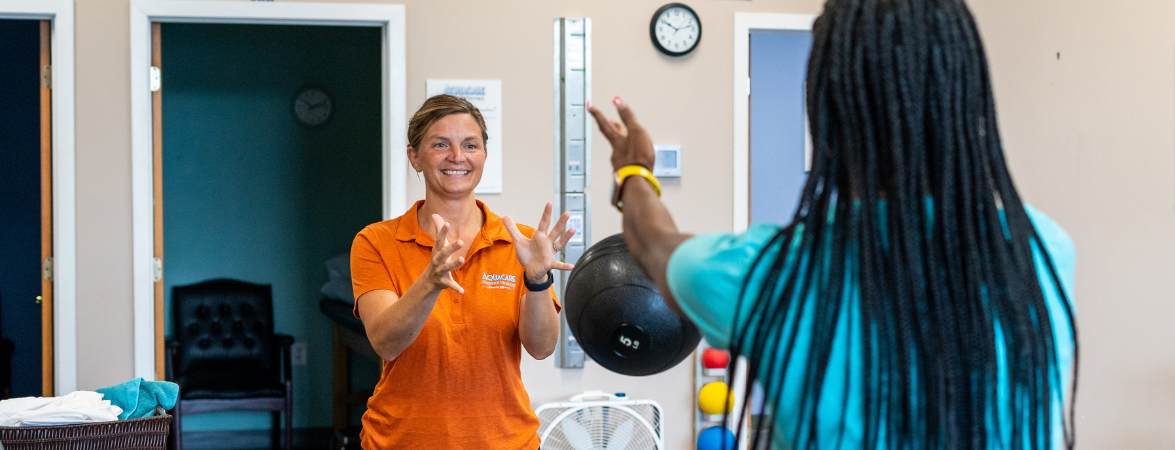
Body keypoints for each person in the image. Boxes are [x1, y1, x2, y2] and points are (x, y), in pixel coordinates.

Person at [586, 0, 1078, 448]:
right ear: (965, 97)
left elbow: (653, 245)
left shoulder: (773, 275)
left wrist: (633, 171)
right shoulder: (1043, 250)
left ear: (828, 114)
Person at [350, 94, 575, 449]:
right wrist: (430, 282)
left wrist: (536, 281)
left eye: (470, 145)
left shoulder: (522, 243)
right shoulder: (376, 241)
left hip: (505, 441)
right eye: (441, 144)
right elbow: (386, 343)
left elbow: (542, 347)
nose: (457, 156)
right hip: (401, 441)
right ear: (415, 157)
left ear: (484, 155)